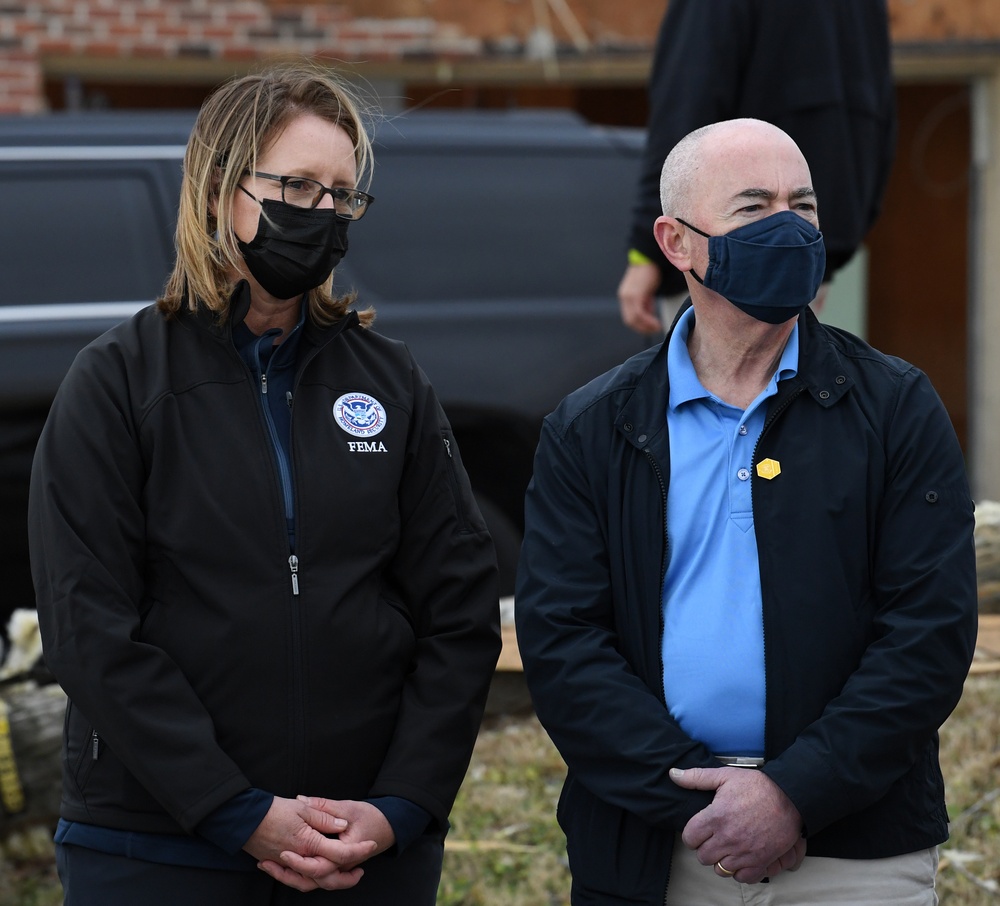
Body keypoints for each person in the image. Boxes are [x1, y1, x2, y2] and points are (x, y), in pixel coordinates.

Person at [28, 63, 501, 905]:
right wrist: (232, 808)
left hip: (361, 851)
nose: (319, 213)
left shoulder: (389, 383)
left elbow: (459, 610)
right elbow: (89, 628)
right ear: (220, 188)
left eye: (341, 195)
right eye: (296, 185)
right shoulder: (116, 382)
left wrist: (402, 805)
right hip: (153, 848)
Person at [515, 118, 978, 904]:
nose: (789, 228)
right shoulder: (591, 427)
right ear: (677, 242)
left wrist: (794, 792)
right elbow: (563, 644)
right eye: (754, 206)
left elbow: (929, 632)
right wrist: (701, 806)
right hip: (654, 847)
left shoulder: (894, 406)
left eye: (803, 205)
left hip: (852, 854)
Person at [619, 0, 896, 334]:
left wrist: (647, 254)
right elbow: (881, 121)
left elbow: (685, 113)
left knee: (719, 380)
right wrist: (836, 235)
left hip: (728, 259)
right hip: (812, 251)